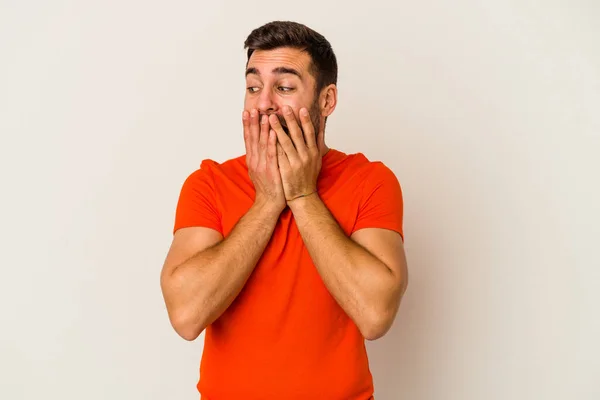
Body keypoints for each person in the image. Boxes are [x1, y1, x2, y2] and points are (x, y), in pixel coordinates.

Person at [160, 20, 408, 400]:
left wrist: (303, 196)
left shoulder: (370, 181)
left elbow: (375, 315)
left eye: (285, 87)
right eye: (253, 87)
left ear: (327, 100)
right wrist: (267, 202)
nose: (263, 103)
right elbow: (186, 316)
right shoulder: (208, 183)